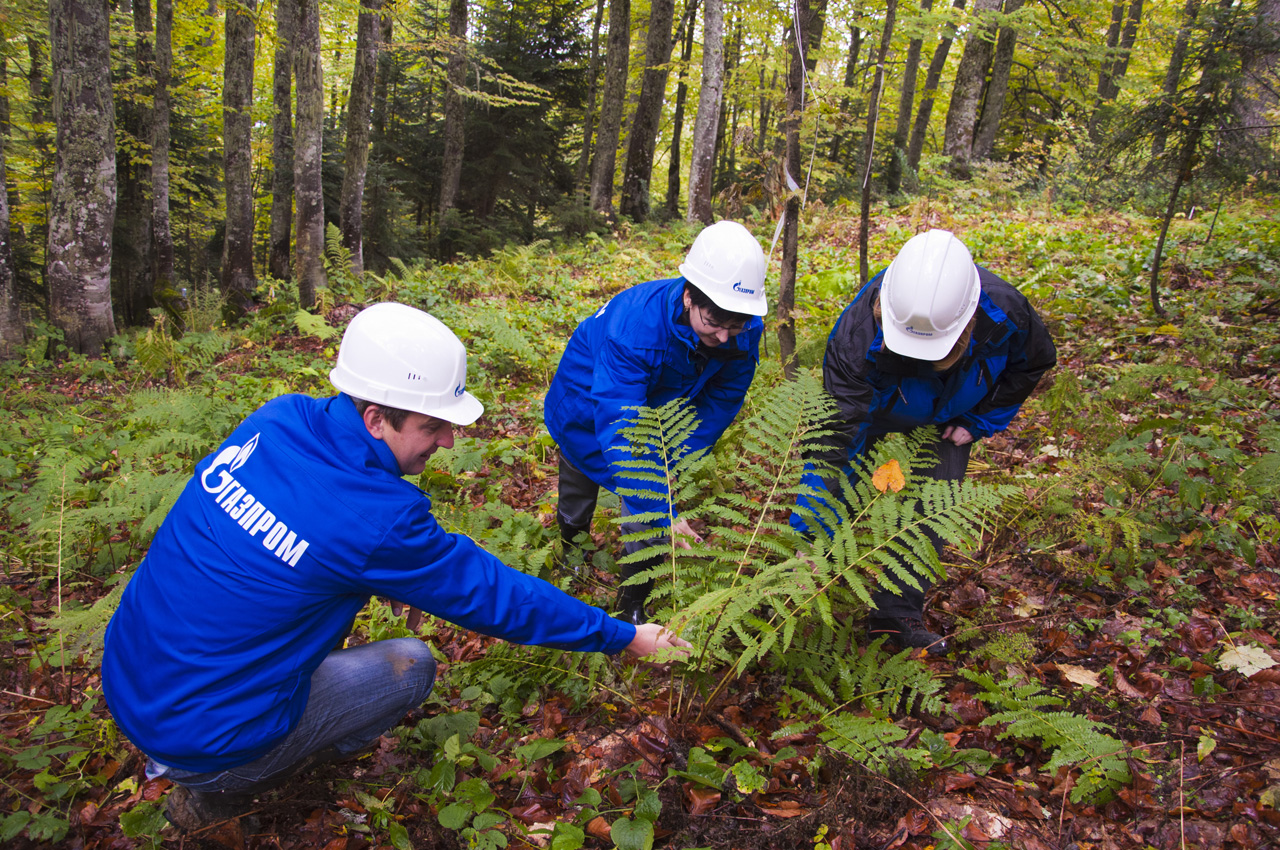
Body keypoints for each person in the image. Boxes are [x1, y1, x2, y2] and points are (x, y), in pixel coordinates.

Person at [101, 303, 688, 831]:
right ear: (376, 418)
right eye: (432, 427)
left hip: (131, 679)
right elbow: (495, 596)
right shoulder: (373, 520)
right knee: (409, 665)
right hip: (205, 738)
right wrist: (625, 637)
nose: (448, 443)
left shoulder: (276, 420)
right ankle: (229, 787)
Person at [796, 229, 1056, 655]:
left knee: (935, 506)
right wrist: (809, 533)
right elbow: (834, 441)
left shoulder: (1006, 313)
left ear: (968, 324)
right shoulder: (857, 335)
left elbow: (1034, 363)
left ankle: (895, 617)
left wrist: (981, 420)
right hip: (877, 407)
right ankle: (805, 585)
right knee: (835, 485)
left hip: (952, 416)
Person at [544, 220, 768, 625]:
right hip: (587, 400)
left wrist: (671, 464)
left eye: (734, 325)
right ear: (688, 297)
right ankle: (571, 551)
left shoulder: (743, 329)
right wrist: (663, 508)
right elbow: (622, 433)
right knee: (581, 478)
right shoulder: (635, 329)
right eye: (713, 322)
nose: (723, 336)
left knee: (650, 496)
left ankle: (631, 602)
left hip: (664, 409)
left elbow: (720, 402)